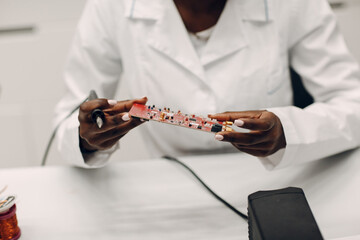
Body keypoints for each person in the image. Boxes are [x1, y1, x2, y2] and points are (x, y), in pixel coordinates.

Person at [55, 0, 360, 169]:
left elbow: (352, 104)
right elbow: (70, 117)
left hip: (274, 180)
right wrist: (86, 137)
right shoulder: (113, 7)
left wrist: (289, 132)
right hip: (170, 183)